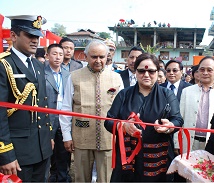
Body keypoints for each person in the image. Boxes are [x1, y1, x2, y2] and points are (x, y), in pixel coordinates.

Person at [104, 53, 184, 182]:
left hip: (157, 159)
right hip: (128, 159)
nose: (146, 75)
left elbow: (178, 120)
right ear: (135, 72)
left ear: (158, 72)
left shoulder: (167, 94)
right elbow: (109, 120)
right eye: (141, 71)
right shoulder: (124, 94)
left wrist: (168, 126)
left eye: (151, 71)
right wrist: (123, 126)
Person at [59, 40, 124, 182]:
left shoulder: (116, 78)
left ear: (108, 56)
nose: (98, 60)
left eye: (102, 57)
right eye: (94, 57)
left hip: (108, 138)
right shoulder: (74, 77)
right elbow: (66, 108)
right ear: (86, 56)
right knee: (81, 178)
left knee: (107, 178)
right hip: (81, 137)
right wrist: (66, 136)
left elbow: (122, 110)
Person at [0, 15, 52, 182]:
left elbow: (43, 104)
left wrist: (48, 137)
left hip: (41, 149)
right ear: (14, 36)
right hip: (17, 152)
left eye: (37, 36)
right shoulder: (4, 65)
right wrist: (5, 154)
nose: (35, 41)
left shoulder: (38, 65)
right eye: (29, 35)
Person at [174, 56, 214, 154]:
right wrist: (176, 143)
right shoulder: (187, 91)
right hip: (189, 141)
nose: (205, 73)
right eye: (202, 69)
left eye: (209, 70)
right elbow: (179, 118)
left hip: (211, 143)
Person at [44, 44, 71, 182]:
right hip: (47, 119)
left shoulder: (68, 74)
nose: (58, 57)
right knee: (47, 156)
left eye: (60, 54)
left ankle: (62, 179)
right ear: (47, 55)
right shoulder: (41, 73)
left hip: (64, 119)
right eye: (54, 54)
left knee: (63, 156)